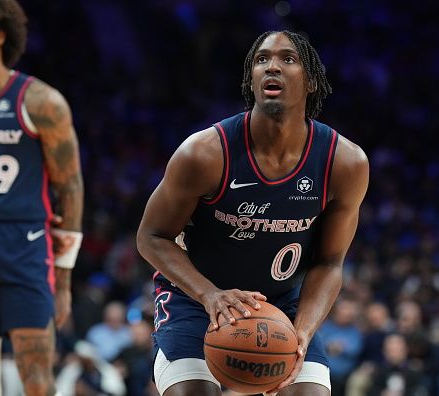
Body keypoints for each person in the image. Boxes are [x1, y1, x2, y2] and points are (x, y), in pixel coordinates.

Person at [136, 30, 369, 396]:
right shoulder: (204, 153)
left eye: (287, 59)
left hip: (283, 303)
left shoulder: (345, 162)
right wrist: (210, 296)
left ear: (310, 81)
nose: (271, 67)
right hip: (196, 300)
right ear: (251, 79)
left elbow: (329, 263)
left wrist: (303, 331)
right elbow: (151, 236)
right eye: (262, 60)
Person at [0, 1, 84, 395]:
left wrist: (63, 282)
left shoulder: (40, 102)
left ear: (0, 34)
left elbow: (70, 188)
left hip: (23, 247)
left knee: (38, 382)